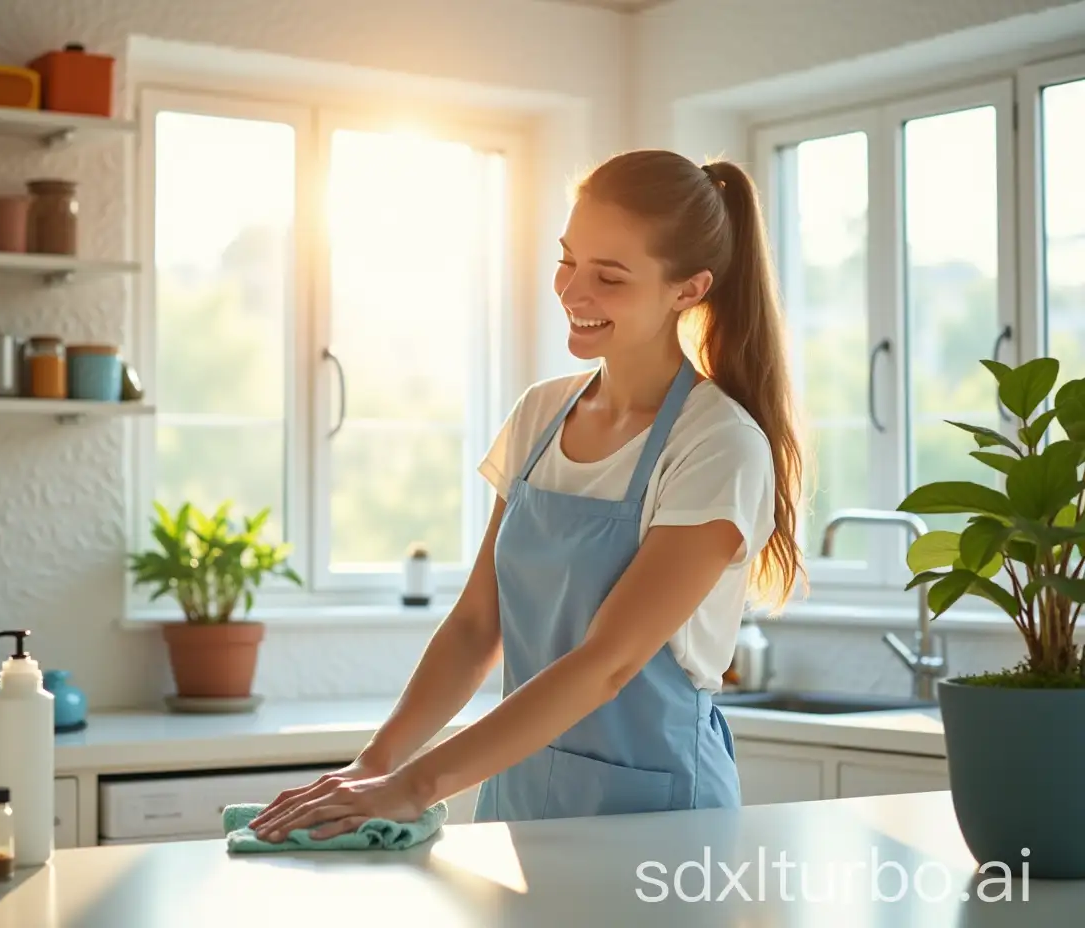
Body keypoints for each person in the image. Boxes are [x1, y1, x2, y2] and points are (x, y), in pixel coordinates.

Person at [248, 149, 805, 841]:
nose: (574, 291)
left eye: (609, 276)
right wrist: (376, 762)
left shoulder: (718, 443)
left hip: (657, 814)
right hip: (523, 798)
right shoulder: (542, 416)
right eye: (568, 259)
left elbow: (609, 662)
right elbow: (478, 624)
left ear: (688, 290)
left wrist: (415, 786)